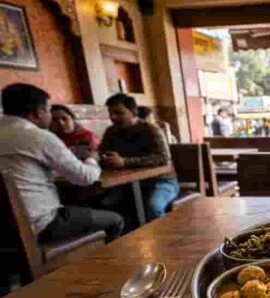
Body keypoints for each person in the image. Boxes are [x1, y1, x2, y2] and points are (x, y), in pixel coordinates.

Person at [0, 83, 124, 243]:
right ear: (39, 112)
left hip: (5, 229)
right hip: (40, 225)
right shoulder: (39, 136)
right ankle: (98, 265)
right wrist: (92, 159)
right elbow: (85, 178)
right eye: (48, 110)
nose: (51, 118)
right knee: (115, 220)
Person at [99, 93, 179, 224]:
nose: (113, 117)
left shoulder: (151, 130)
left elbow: (163, 158)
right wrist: (102, 158)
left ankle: (165, 241)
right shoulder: (111, 131)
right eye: (111, 113)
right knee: (105, 206)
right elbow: (102, 152)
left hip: (161, 181)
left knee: (153, 208)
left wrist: (125, 162)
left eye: (119, 113)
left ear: (133, 112)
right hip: (126, 184)